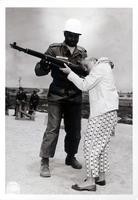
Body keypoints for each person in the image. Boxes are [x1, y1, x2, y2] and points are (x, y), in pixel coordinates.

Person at [35, 18, 87, 177]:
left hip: (75, 97)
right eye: (70, 35)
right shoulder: (53, 49)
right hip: (56, 95)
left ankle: (70, 157)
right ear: (65, 34)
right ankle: (45, 160)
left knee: (75, 131)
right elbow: (38, 71)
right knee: (52, 130)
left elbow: (85, 71)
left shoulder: (82, 52)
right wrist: (44, 64)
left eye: (76, 36)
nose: (73, 38)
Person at [60, 57, 119, 191]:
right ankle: (101, 177)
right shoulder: (104, 67)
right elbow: (88, 82)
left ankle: (91, 180)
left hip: (101, 112)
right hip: (109, 111)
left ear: (93, 61)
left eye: (85, 65)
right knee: (101, 145)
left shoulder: (99, 68)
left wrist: (70, 72)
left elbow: (84, 85)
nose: (83, 67)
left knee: (90, 145)